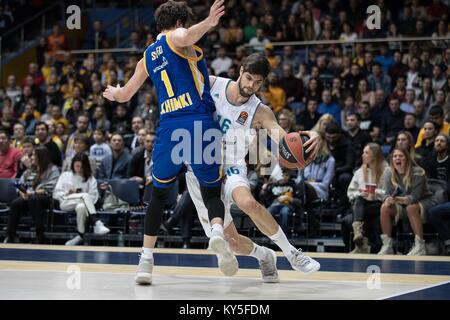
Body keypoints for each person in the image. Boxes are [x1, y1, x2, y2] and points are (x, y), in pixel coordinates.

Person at [103, 0, 230, 285]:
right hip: (197, 122)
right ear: (180, 21)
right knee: (212, 191)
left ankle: (146, 261)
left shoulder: (147, 56)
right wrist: (209, 22)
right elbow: (184, 36)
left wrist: (114, 93)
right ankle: (218, 232)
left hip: (169, 127)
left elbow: (125, 95)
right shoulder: (178, 36)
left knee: (158, 195)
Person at [186, 53, 322, 279]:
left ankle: (292, 254)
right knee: (233, 244)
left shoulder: (261, 111)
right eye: (249, 78)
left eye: (258, 82)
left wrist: (314, 134)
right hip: (200, 168)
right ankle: (265, 255)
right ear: (240, 71)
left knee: (248, 202)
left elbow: (284, 140)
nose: (251, 86)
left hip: (232, 166)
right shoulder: (211, 84)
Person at [378, 148, 439, 256]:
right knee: (384, 207)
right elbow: (386, 193)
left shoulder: (418, 172)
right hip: (401, 203)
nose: (397, 158)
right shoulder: (388, 172)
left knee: (412, 207)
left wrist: (396, 199)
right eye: (395, 156)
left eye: (401, 156)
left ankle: (420, 245)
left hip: (424, 201)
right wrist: (387, 199)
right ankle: (387, 245)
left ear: (407, 158)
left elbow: (414, 197)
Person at [4, 147, 60, 244]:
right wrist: (22, 192)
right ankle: (10, 235)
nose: (31, 157)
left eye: (34, 155)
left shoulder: (52, 169)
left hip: (45, 198)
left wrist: (32, 193)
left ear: (41, 157)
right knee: (15, 203)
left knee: (34, 199)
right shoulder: (30, 170)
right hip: (29, 196)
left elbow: (51, 187)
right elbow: (20, 183)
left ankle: (40, 234)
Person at [53, 153, 109, 246]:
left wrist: (79, 194)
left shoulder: (90, 179)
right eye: (77, 166)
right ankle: (96, 222)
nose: (79, 168)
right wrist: (68, 193)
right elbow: (56, 194)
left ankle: (80, 235)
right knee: (84, 196)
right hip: (66, 201)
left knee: (82, 206)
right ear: (73, 164)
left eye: (81, 166)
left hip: (83, 204)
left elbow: (94, 198)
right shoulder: (65, 175)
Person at [346, 143, 388, 253]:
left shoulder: (386, 171)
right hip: (362, 206)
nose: (363, 155)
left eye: (366, 153)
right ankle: (358, 238)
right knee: (348, 217)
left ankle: (359, 238)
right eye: (363, 152)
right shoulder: (359, 172)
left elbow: (389, 193)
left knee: (354, 214)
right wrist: (360, 194)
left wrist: (374, 192)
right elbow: (350, 193)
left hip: (380, 204)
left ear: (374, 155)